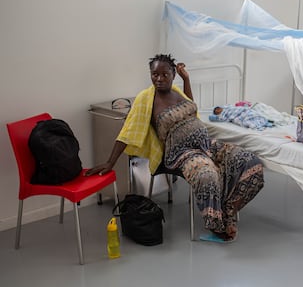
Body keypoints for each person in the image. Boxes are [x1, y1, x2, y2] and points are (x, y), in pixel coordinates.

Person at [86, 54, 264, 242]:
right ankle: (216, 226)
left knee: (249, 162)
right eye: (155, 74)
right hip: (182, 153)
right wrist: (110, 162)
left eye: (164, 74)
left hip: (207, 145)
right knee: (207, 175)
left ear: (173, 74)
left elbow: (191, 107)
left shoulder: (178, 91)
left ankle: (228, 208)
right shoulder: (146, 99)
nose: (159, 79)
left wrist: (186, 79)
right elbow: (127, 131)